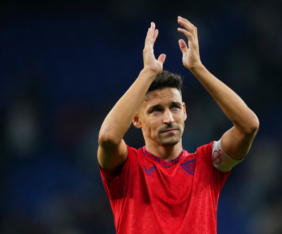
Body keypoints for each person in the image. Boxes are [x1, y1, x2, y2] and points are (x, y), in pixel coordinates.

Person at [97, 16, 259, 234]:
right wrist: (147, 73)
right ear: (136, 120)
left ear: (184, 112)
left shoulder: (208, 163)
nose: (169, 118)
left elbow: (248, 125)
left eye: (174, 108)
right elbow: (108, 138)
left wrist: (197, 67)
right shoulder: (128, 167)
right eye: (156, 110)